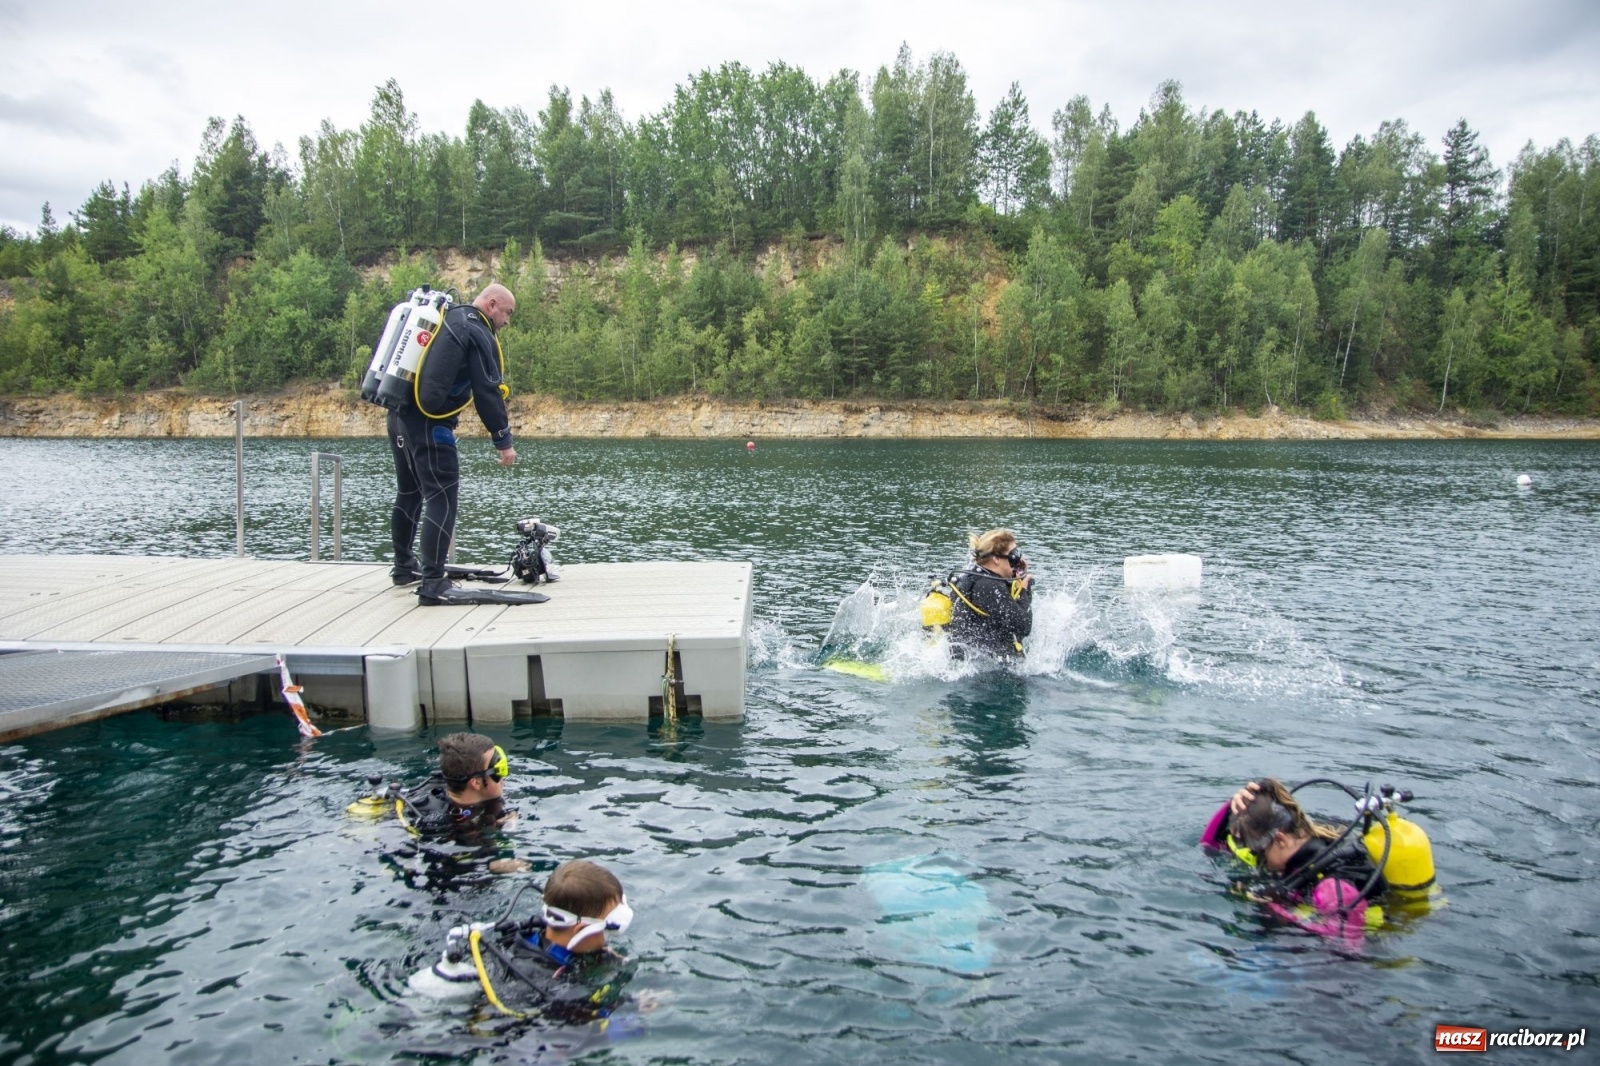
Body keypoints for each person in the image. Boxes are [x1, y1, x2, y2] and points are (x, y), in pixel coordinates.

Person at [388, 282, 517, 606]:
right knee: (442, 496)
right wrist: (503, 440)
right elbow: (488, 391)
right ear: (491, 304)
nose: (507, 321)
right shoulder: (476, 330)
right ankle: (434, 582)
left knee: (410, 491)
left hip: (399, 416)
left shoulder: (448, 318)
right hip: (430, 424)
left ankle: (404, 567)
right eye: (508, 313)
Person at [410, 859, 637, 1025]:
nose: (609, 939)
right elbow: (582, 1032)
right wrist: (633, 1008)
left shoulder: (528, 932)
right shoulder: (548, 986)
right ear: (580, 930)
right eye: (610, 929)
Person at [1204, 778, 1389, 939]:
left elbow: (1345, 955)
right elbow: (1209, 846)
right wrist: (1233, 805)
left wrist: (1276, 908)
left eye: (1258, 852)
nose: (1257, 860)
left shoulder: (1333, 887)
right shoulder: (1312, 836)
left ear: (1280, 840)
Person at [384, 732, 528, 886]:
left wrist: (508, 818)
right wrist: (490, 867)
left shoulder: (484, 795)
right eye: (499, 769)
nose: (504, 775)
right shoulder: (438, 823)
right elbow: (435, 871)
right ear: (476, 783)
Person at [946, 529, 1034, 658]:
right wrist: (1023, 590)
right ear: (996, 558)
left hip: (976, 659)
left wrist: (1019, 581)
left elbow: (1015, 613)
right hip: (980, 666)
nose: (1019, 560)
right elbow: (1024, 626)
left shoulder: (976, 576)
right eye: (1014, 556)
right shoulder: (988, 586)